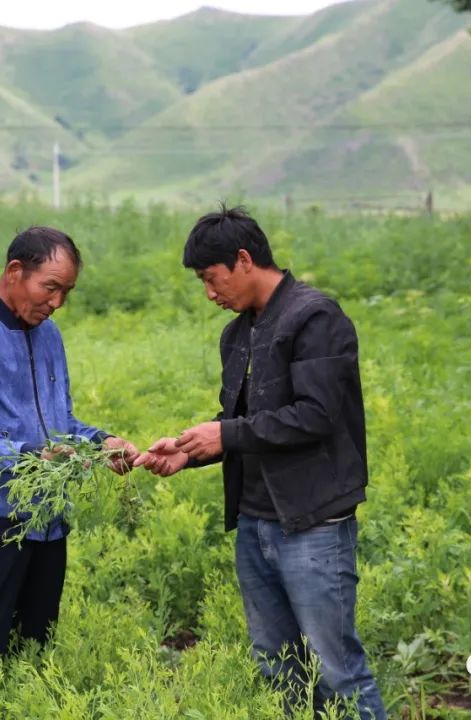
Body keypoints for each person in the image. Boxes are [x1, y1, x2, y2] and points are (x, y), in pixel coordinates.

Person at [134, 206, 386, 719]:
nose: (209, 293)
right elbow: (249, 422)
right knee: (277, 664)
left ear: (244, 260)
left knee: (335, 667)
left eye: (211, 278)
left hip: (313, 520)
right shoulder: (239, 333)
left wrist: (224, 434)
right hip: (256, 520)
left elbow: (315, 416)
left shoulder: (315, 318)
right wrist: (189, 450)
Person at [0, 226, 138, 682]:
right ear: (15, 271)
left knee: (33, 659)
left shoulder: (48, 334)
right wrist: (29, 455)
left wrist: (101, 443)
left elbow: (59, 426)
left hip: (47, 525)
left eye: (67, 292)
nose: (57, 302)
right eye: (51, 287)